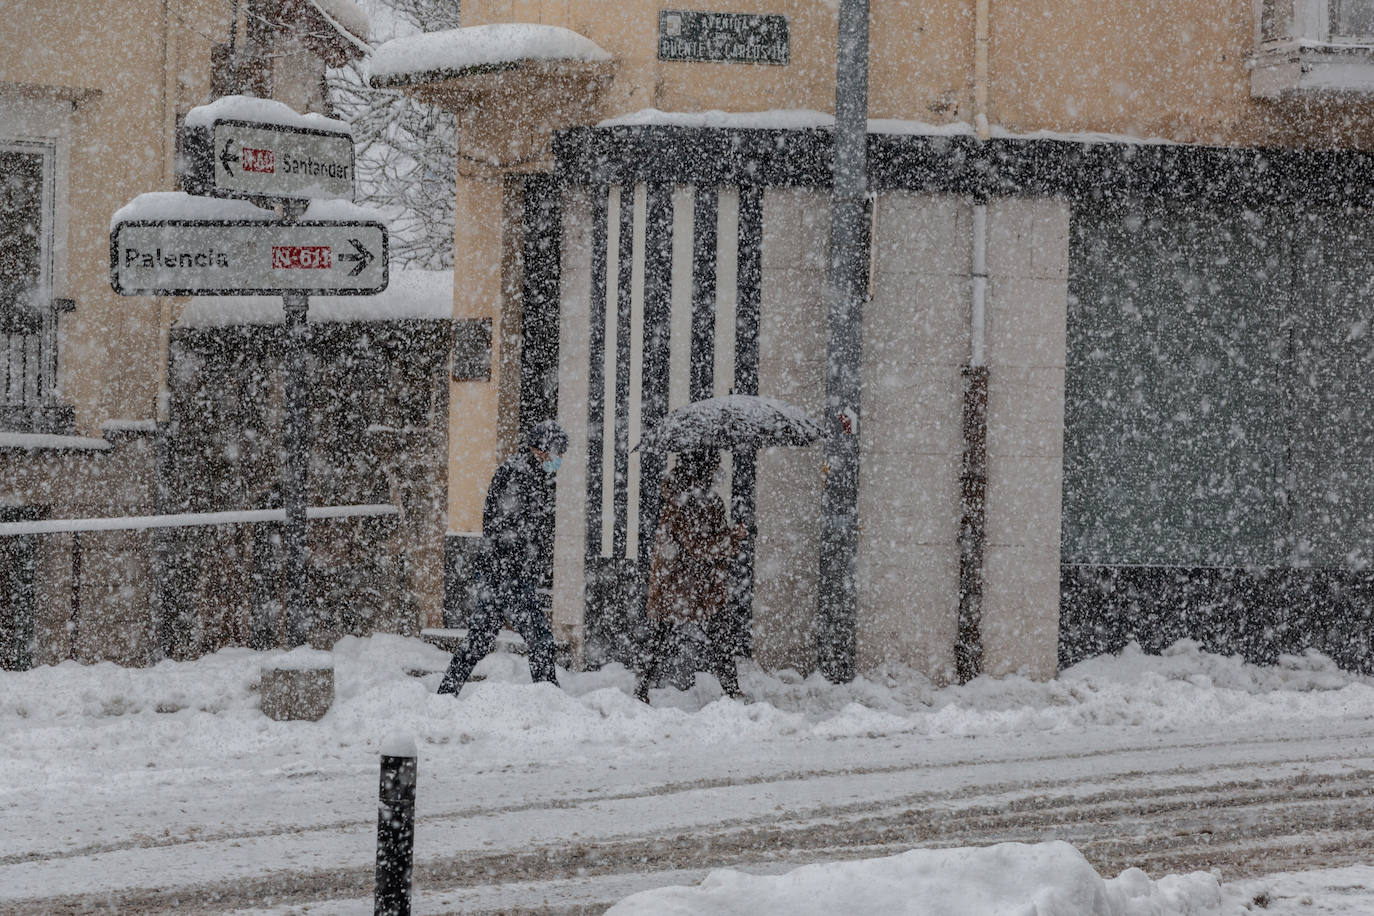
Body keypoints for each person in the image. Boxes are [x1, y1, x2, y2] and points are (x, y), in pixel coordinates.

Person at [437, 420, 568, 697]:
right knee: (541, 640)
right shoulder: (519, 476)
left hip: (501, 573)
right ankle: (550, 701)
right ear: (543, 450)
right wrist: (519, 565)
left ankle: (445, 694)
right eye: (557, 454)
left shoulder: (526, 473)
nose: (558, 461)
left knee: (478, 641)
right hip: (509, 575)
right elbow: (505, 527)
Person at [635, 449, 748, 704]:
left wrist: (729, 537)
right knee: (662, 635)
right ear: (702, 471)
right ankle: (641, 689)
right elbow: (698, 545)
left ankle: (731, 689)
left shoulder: (706, 501)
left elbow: (710, 540)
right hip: (680, 582)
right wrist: (731, 540)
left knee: (716, 633)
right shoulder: (682, 502)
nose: (716, 474)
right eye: (712, 468)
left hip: (699, 583)